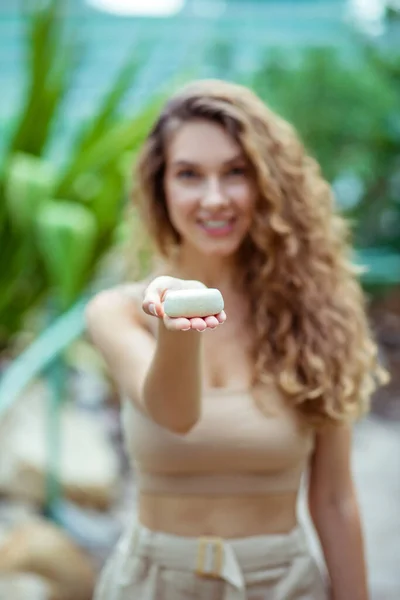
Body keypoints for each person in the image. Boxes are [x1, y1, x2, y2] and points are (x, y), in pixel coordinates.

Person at [85, 79, 387, 600]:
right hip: (152, 583)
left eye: (235, 172)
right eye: (189, 175)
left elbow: (335, 499)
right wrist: (176, 323)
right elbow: (175, 414)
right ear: (161, 188)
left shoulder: (320, 317)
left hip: (282, 584)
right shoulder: (118, 313)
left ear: (267, 184)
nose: (214, 198)